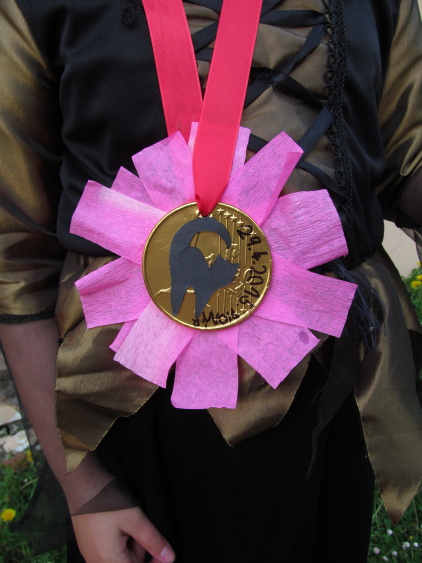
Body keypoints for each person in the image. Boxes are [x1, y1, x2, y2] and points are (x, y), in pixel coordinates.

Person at [0, 0, 421, 562]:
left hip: (329, 384)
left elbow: (405, 158)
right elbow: (14, 257)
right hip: (132, 385)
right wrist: (89, 490)